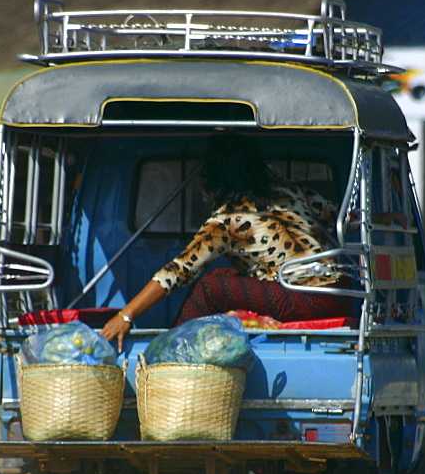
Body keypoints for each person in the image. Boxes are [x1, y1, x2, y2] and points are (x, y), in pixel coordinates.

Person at [101, 134, 357, 351]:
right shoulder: (291, 190)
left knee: (211, 285)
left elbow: (179, 270)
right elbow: (340, 218)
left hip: (305, 300)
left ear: (214, 177)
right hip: (340, 293)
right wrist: (382, 218)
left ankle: (174, 351)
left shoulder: (226, 221)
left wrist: (126, 314)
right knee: (228, 274)